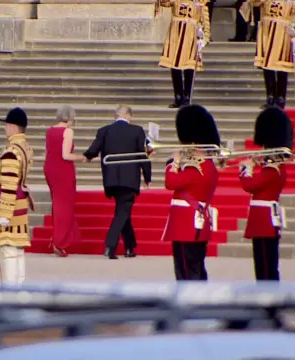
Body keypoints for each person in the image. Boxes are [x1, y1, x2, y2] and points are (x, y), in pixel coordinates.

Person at [83, 105, 152, 259]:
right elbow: (143, 156)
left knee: (124, 211)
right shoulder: (137, 131)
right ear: (128, 115)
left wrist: (84, 157)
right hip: (129, 178)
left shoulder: (104, 130)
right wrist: (147, 177)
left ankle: (130, 247)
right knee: (122, 212)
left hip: (111, 178)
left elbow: (92, 151)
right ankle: (110, 245)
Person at [162, 104, 220, 280]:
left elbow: (171, 182)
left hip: (186, 225)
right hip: (193, 225)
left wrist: (174, 163)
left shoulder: (196, 168)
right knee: (195, 267)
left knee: (186, 271)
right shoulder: (207, 166)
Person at [239, 106, 293, 281]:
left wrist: (246, 169)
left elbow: (250, 185)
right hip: (266, 219)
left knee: (264, 267)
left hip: (264, 221)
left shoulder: (272, 170)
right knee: (267, 264)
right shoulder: (275, 167)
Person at [0, 107, 34, 285]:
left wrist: (4, 214)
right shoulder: (23, 147)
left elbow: (8, 186)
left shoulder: (12, 152)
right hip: (19, 206)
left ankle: (11, 295)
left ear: (13, 127)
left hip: (10, 209)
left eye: (6, 125)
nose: (5, 128)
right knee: (17, 252)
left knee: (8, 252)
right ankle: (18, 292)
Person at [43, 105, 84, 257]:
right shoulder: (68, 131)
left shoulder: (50, 131)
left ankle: (57, 238)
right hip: (62, 170)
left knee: (57, 203)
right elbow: (66, 155)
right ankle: (59, 242)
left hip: (50, 168)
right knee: (64, 206)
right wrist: (82, 157)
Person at [253, 0, 295, 109]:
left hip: (282, 34)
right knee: (267, 65)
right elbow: (254, 3)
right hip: (266, 33)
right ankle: (270, 96)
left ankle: (281, 97)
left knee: (281, 67)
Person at [158, 0, 211, 108]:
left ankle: (187, 96)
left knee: (189, 66)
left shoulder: (199, 3)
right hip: (175, 35)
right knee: (174, 65)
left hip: (190, 36)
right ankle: (178, 95)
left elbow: (205, 20)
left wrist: (205, 38)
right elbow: (164, 3)